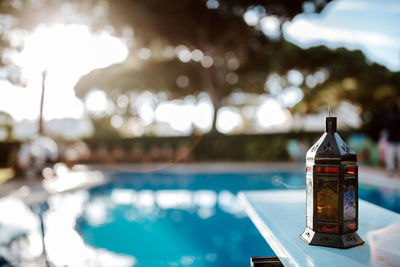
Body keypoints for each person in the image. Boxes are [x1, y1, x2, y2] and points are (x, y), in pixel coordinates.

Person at [384, 105, 400, 176]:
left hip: (391, 140)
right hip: (398, 140)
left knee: (390, 157)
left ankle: (390, 171)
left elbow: (387, 128)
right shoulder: (398, 119)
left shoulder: (389, 119)